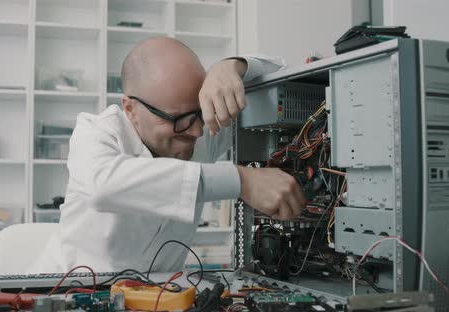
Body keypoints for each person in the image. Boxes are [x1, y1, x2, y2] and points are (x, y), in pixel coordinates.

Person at [29, 37, 306, 273]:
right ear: (130, 109)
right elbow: (105, 185)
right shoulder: (96, 132)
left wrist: (230, 66)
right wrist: (240, 180)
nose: (197, 131)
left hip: (160, 298)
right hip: (65, 293)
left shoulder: (196, 127)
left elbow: (280, 72)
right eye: (179, 119)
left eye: (200, 112)